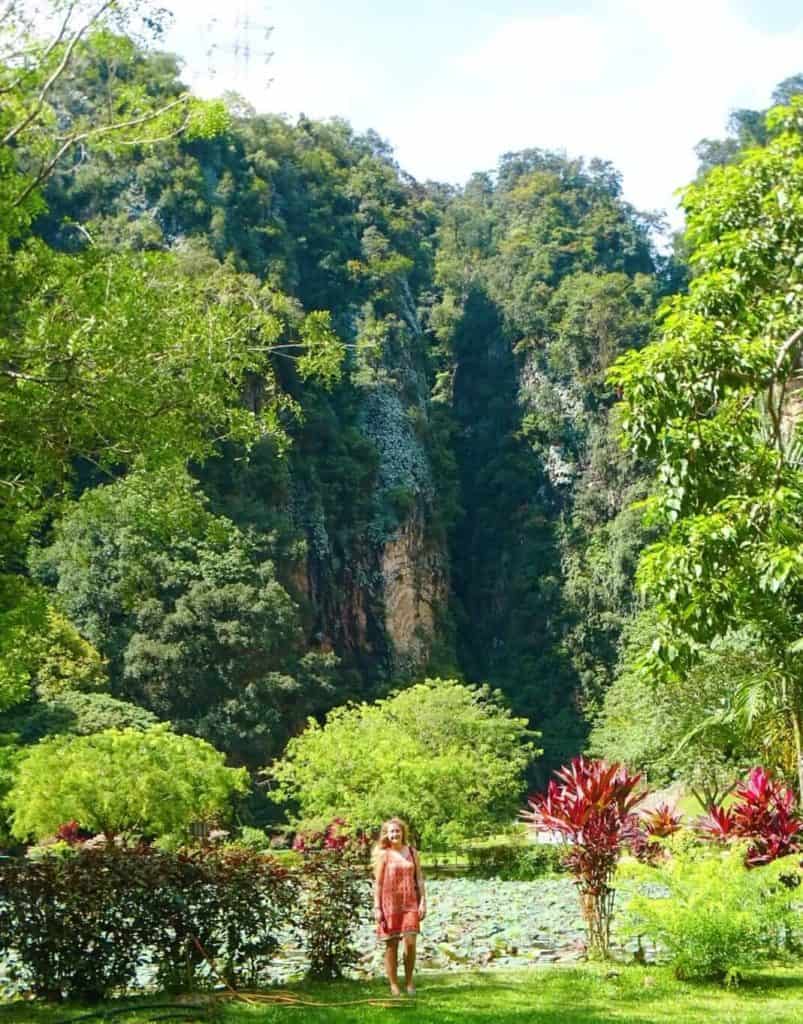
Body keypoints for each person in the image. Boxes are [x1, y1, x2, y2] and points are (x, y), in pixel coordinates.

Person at [372, 817, 426, 997]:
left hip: (410, 902)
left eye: (397, 831)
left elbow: (419, 878)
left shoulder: (412, 851)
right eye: (391, 832)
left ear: (403, 832)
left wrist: (423, 901)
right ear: (387, 835)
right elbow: (378, 884)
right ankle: (394, 984)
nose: (395, 834)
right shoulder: (383, 854)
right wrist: (377, 908)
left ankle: (409, 981)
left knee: (410, 943)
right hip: (389, 904)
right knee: (391, 945)